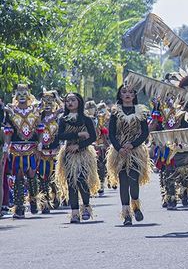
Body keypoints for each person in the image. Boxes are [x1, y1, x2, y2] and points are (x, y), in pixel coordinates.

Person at [106, 84, 152, 226]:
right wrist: (119, 148)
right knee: (123, 182)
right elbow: (111, 133)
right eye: (124, 92)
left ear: (134, 95)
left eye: (130, 92)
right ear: (120, 95)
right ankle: (126, 214)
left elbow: (145, 133)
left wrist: (133, 144)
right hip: (119, 151)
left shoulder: (141, 111)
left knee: (133, 179)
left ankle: (136, 207)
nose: (127, 94)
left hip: (136, 150)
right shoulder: (115, 112)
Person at [55, 93, 99, 223]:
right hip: (68, 153)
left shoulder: (86, 119)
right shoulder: (63, 119)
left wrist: (79, 146)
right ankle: (74, 213)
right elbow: (60, 136)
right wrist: (78, 134)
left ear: (79, 102)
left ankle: (86, 207)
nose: (70, 103)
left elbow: (93, 137)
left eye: (73, 100)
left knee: (81, 180)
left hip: (84, 153)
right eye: (67, 100)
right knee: (71, 183)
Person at [2, 84, 43, 218]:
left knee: (31, 173)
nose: (21, 96)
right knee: (18, 175)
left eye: (24, 93)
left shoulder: (35, 111)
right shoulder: (11, 111)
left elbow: (40, 129)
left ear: (29, 94)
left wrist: (40, 144)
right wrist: (6, 147)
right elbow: (8, 131)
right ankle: (19, 207)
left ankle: (33, 201)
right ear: (15, 95)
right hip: (16, 147)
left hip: (31, 147)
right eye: (19, 93)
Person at [37, 90, 64, 213]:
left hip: (55, 151)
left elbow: (64, 107)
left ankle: (56, 196)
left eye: (50, 101)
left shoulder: (58, 115)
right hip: (41, 151)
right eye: (45, 101)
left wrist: (57, 98)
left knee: (54, 176)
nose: (47, 104)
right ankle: (44, 202)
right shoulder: (38, 115)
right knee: (43, 176)